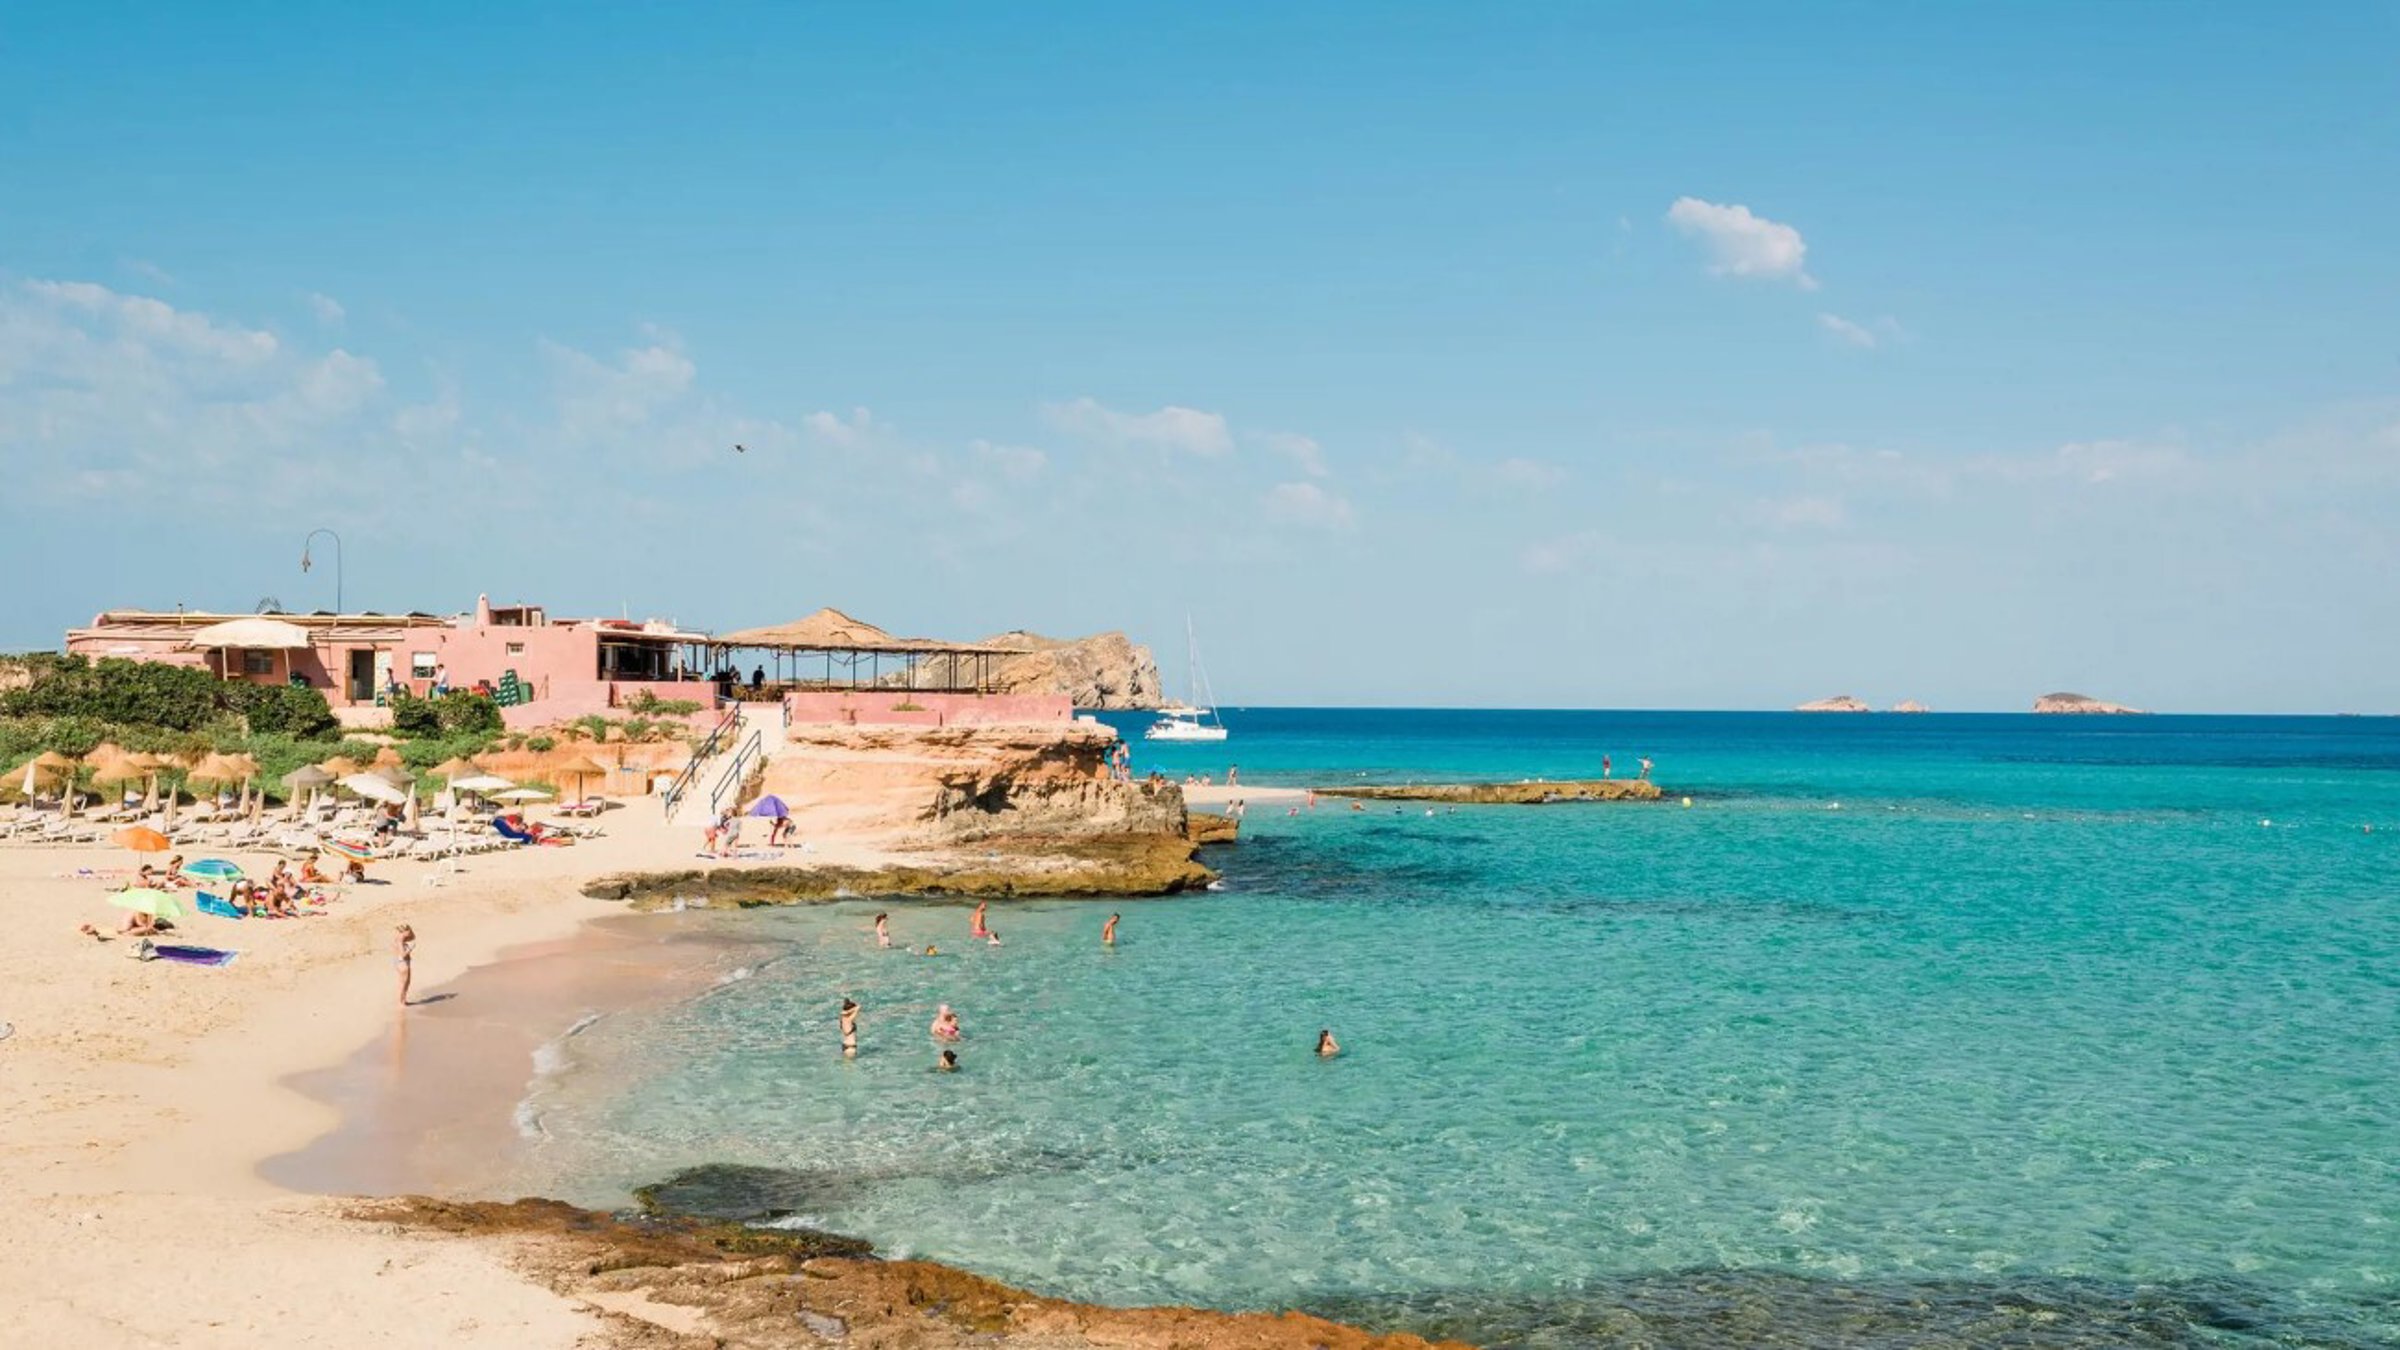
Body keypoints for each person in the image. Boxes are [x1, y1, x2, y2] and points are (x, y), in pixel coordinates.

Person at [394, 925, 415, 1007]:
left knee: (404, 983)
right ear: (405, 931)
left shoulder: (397, 938)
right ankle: (401, 1002)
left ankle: (403, 1000)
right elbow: (403, 955)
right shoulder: (400, 941)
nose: (410, 933)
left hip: (398, 962)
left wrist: (409, 931)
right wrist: (411, 949)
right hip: (403, 962)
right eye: (409, 931)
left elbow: (413, 937)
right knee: (404, 983)